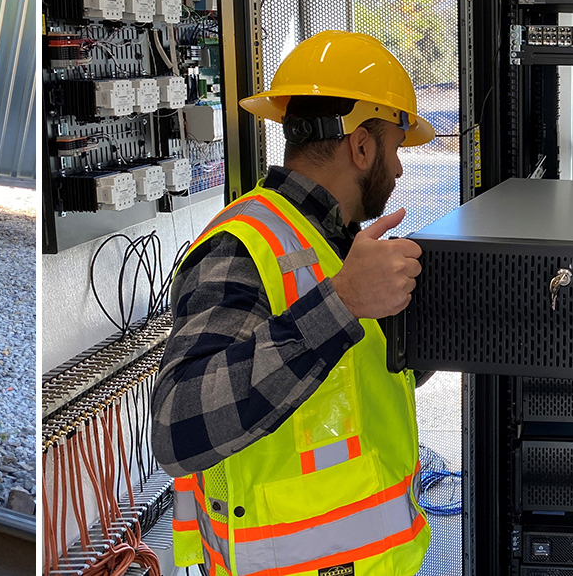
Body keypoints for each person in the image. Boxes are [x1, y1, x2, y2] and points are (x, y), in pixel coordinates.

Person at [152, 30, 438, 575]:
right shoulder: (241, 245)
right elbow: (176, 426)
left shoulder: (336, 243)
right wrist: (346, 301)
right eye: (396, 150)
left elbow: (346, 382)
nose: (400, 171)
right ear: (361, 146)